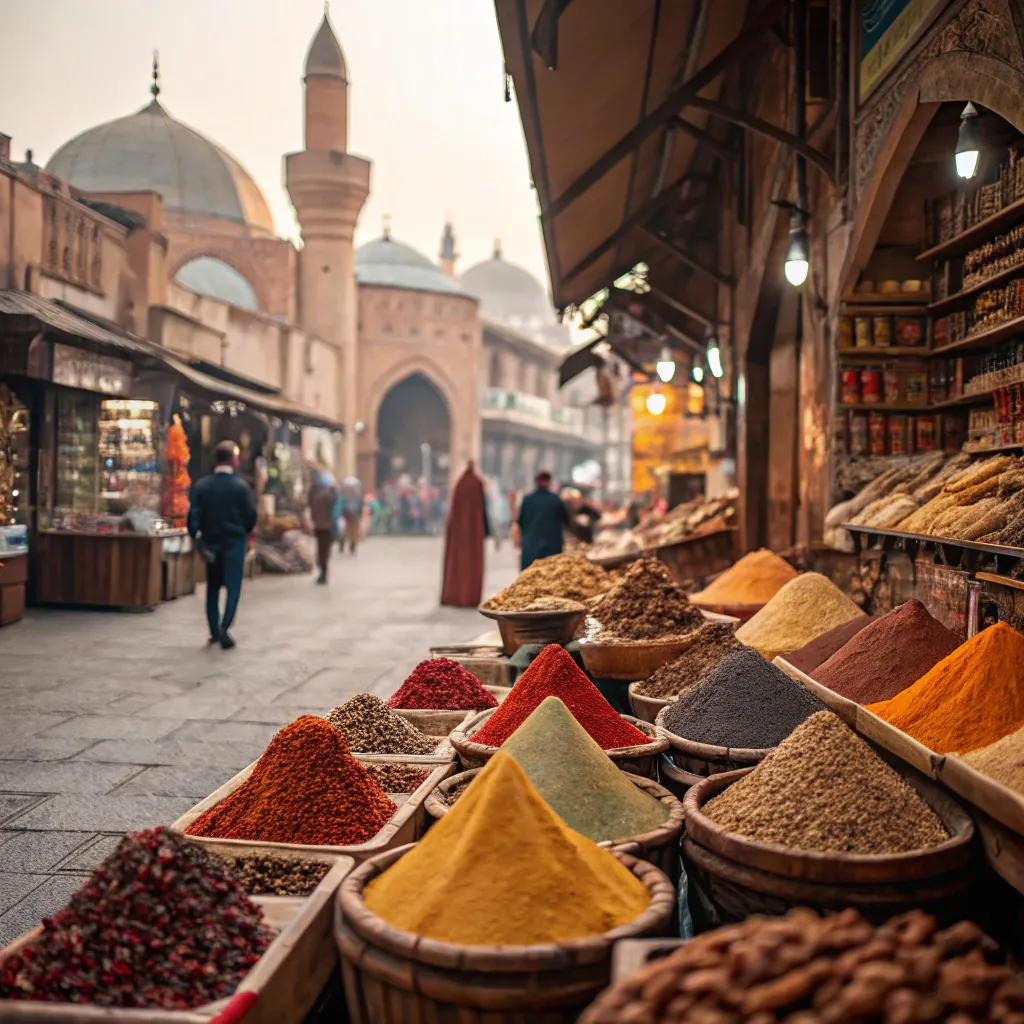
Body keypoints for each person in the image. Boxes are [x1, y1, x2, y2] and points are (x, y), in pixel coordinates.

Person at [188, 440, 258, 649]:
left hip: (210, 543)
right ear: (234, 460)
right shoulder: (241, 487)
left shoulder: (202, 485)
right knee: (233, 587)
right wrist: (243, 532)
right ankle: (225, 627)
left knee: (213, 588)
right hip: (234, 543)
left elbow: (192, 516)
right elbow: (250, 516)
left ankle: (214, 630)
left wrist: (198, 539)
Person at [441, 461, 490, 607]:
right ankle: (470, 596)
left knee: (458, 564)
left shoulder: (460, 484)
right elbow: (481, 509)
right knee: (472, 562)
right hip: (474, 531)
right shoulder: (477, 484)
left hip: (458, 534)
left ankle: (454, 595)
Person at [513, 470, 568, 570]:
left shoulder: (527, 500)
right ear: (549, 482)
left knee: (529, 577)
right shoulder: (556, 500)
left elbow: (520, 522)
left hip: (531, 547)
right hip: (552, 547)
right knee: (551, 577)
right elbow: (565, 520)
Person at [309, 470, 340, 583]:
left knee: (322, 551)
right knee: (324, 551)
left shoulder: (317, 495)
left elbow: (314, 509)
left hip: (322, 526)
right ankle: (323, 572)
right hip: (325, 526)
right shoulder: (330, 495)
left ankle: (323, 573)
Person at [340, 477, 364, 554]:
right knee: (349, 530)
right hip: (348, 515)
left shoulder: (358, 497)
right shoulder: (346, 497)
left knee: (354, 531)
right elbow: (343, 505)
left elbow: (361, 506)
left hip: (354, 515)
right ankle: (350, 542)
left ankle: (353, 543)